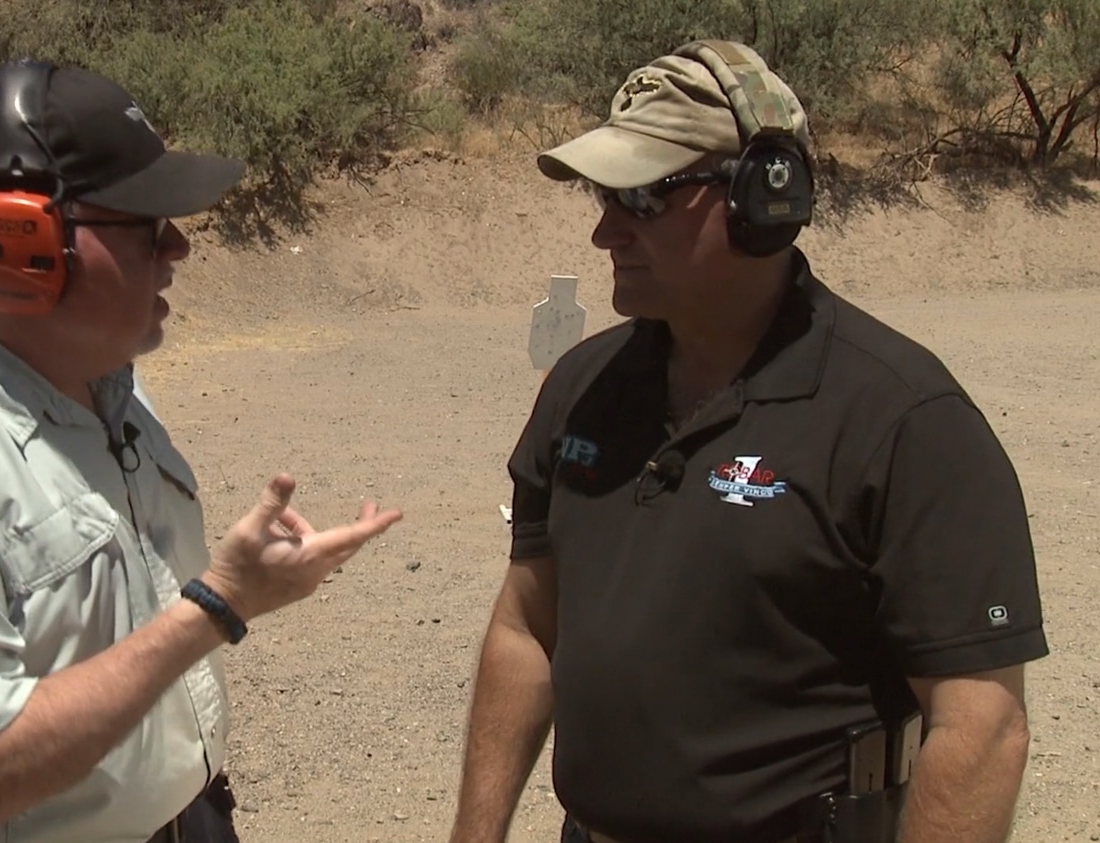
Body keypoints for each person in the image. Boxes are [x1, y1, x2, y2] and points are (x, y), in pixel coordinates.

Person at [0, 58, 402, 843]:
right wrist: (219, 605)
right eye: (145, 226)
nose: (179, 249)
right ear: (22, 242)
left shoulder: (94, 378)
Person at [447, 39, 1048, 843]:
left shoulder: (904, 420)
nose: (606, 231)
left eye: (644, 197)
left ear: (764, 195)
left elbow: (982, 725)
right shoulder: (581, 388)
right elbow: (526, 627)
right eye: (603, 195)